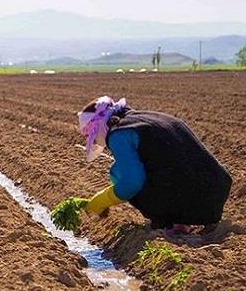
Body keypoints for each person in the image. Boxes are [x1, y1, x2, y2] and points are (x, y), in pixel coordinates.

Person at [79, 96, 232, 236]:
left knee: (119, 173)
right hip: (216, 189)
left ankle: (167, 222)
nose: (93, 141)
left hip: (193, 198)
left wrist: (103, 200)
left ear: (96, 126)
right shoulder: (144, 118)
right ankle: (181, 221)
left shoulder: (118, 134)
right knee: (129, 167)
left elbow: (132, 181)